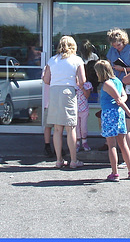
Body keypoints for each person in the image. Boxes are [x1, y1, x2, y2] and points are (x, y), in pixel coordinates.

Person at [42, 35, 86, 169]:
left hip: (54, 92)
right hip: (68, 92)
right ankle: (73, 160)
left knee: (57, 128)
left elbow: (46, 79)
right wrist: (76, 83)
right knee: (70, 127)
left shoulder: (52, 60)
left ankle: (59, 160)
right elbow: (82, 80)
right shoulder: (77, 60)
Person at [94, 60, 130, 181]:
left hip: (110, 114)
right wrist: (121, 101)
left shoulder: (107, 84)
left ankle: (114, 173)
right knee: (123, 143)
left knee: (112, 145)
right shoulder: (118, 81)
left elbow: (118, 100)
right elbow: (123, 97)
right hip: (119, 115)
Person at [76, 76, 93, 152]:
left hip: (84, 109)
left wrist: (82, 87)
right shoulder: (73, 84)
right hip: (75, 109)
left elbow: (87, 95)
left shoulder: (87, 84)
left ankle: (84, 142)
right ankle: (77, 143)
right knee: (76, 127)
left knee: (83, 127)